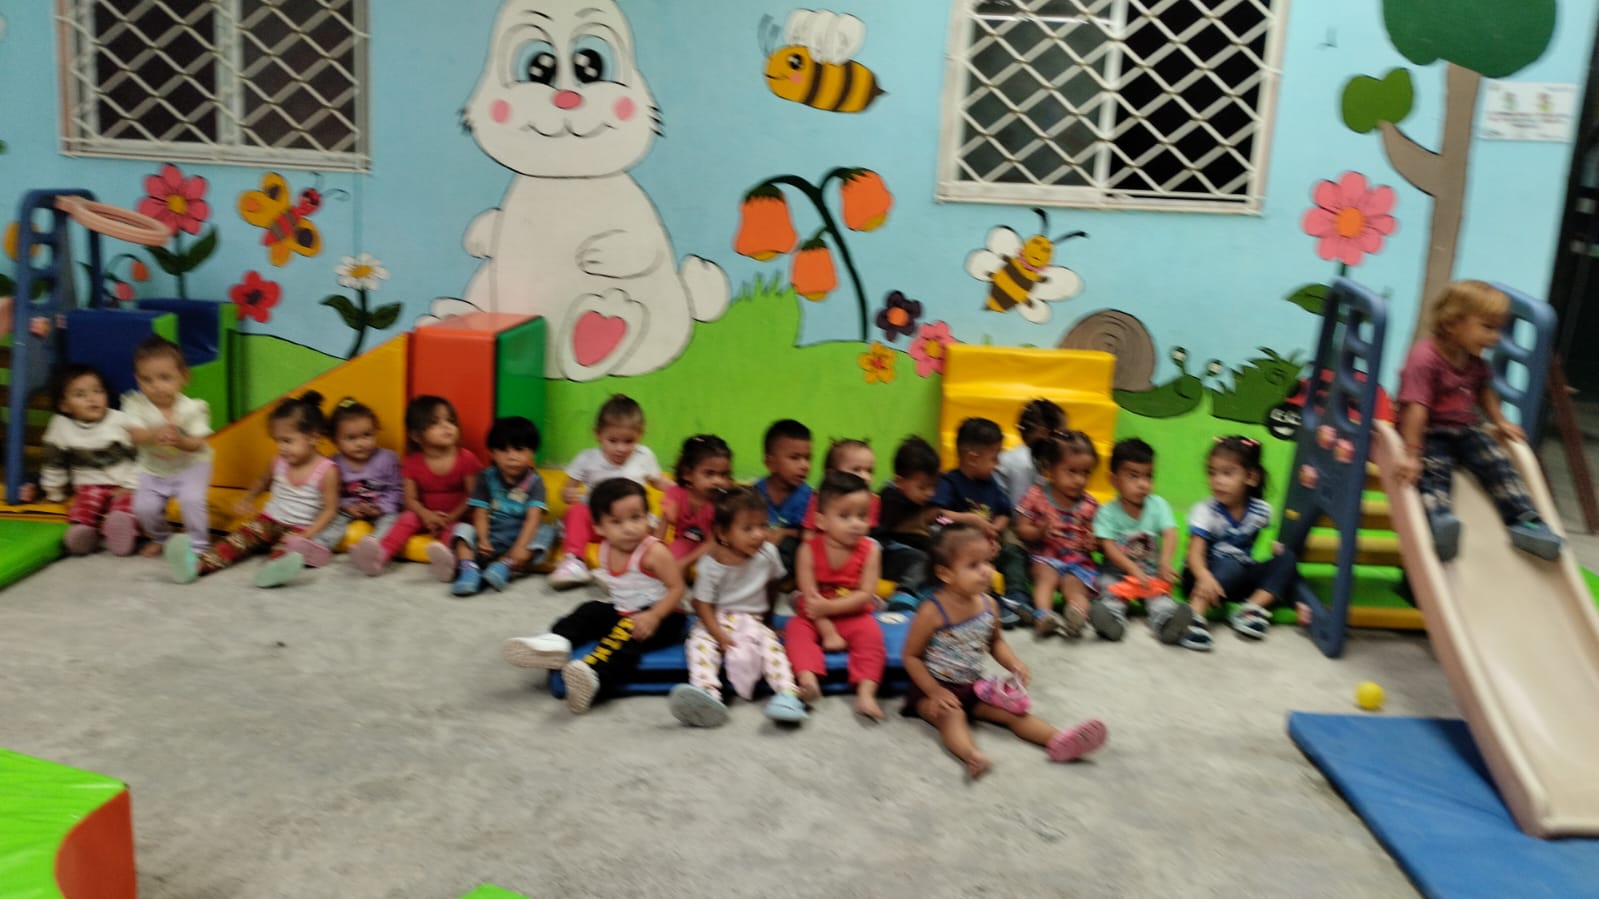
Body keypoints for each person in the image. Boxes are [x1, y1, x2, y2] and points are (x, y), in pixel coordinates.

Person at [902, 524, 1108, 780]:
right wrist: (934, 691)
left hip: (973, 686)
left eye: (987, 562)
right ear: (945, 574)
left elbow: (995, 642)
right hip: (931, 689)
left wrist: (1013, 663)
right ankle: (971, 755)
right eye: (973, 565)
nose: (986, 570)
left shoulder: (989, 604)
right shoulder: (932, 611)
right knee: (951, 716)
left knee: (1015, 714)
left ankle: (1060, 740)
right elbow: (911, 656)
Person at [1396, 279, 1563, 561]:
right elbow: (1416, 407)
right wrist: (1412, 453)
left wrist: (1500, 420)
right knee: (1435, 471)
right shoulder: (1424, 359)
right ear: (1452, 323)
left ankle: (1524, 520)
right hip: (1429, 431)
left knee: (1498, 462)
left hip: (1463, 429)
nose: (1496, 338)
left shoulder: (1474, 360)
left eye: (1498, 329)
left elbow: (1484, 390)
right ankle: (1439, 521)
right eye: (1488, 327)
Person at [501, 478, 687, 714]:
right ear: (599, 528)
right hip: (625, 611)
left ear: (647, 517)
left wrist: (655, 616)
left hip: (666, 617)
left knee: (623, 638)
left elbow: (677, 588)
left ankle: (594, 676)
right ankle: (557, 643)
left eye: (636, 517)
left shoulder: (654, 552)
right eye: (616, 522)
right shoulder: (605, 549)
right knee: (590, 610)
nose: (629, 528)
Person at [668, 486, 809, 727]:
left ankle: (787, 694)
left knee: (772, 649)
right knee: (699, 644)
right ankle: (706, 692)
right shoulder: (711, 564)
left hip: (752, 620)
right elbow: (702, 604)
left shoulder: (768, 554)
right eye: (748, 529)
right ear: (723, 533)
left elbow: (773, 584)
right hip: (716, 618)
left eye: (764, 526)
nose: (759, 534)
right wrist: (719, 635)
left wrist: (768, 621)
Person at [164, 392, 337, 588]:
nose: (281, 447)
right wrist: (248, 498)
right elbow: (263, 481)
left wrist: (305, 535)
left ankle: (274, 571)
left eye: (287, 441)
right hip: (269, 519)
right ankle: (196, 566)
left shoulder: (327, 470)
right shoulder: (279, 461)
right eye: (278, 441)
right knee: (236, 540)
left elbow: (329, 510)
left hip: (300, 528)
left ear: (313, 437)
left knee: (288, 549)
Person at [785, 471, 887, 719]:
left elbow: (865, 594)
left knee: (872, 637)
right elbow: (810, 599)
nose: (856, 523)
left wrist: (830, 609)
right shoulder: (807, 550)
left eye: (862, 515)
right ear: (821, 521)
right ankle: (808, 681)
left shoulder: (871, 550)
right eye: (844, 516)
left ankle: (866, 693)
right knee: (795, 631)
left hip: (853, 612)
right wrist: (828, 631)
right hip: (814, 616)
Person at [1181, 436, 1298, 647]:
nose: (1217, 480)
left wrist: (1277, 552)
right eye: (1212, 472)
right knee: (1229, 564)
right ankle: (1194, 616)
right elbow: (1194, 555)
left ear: (1251, 477)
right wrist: (1204, 577)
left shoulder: (1261, 511)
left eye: (1227, 473)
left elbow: (1249, 548)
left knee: (1287, 559)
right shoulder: (1205, 511)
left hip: (1236, 578)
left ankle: (1250, 609)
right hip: (1201, 576)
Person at [548, 394, 672, 588]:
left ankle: (622, 572)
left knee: (650, 529)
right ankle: (574, 562)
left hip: (630, 525)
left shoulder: (643, 456)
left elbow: (658, 481)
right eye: (612, 441)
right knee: (576, 512)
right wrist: (567, 494)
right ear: (598, 434)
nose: (620, 448)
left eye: (629, 441)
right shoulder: (587, 458)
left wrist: (681, 491)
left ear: (640, 435)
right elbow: (567, 490)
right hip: (600, 525)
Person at [349, 396, 478, 579]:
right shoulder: (412, 463)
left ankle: (446, 562)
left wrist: (450, 518)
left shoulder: (466, 459)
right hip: (425, 516)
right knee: (407, 517)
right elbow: (410, 500)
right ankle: (380, 556)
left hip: (456, 516)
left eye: (450, 421)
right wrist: (426, 515)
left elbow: (473, 496)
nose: (446, 426)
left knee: (457, 530)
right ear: (416, 436)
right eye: (435, 423)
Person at [1093, 438, 1198, 649]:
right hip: (1118, 572)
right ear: (1114, 480)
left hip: (1150, 573)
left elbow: (1170, 533)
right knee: (1110, 592)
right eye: (1133, 476)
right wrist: (1132, 569)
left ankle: (1167, 623)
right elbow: (1109, 547)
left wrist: (1165, 562)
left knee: (1160, 598)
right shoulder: (1107, 512)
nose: (1143, 484)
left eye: (1148, 476)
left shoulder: (1157, 505)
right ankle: (1112, 623)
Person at [1016, 430, 1112, 639]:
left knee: (1075, 587)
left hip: (1077, 562)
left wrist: (1092, 543)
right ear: (1050, 469)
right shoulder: (1036, 494)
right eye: (1071, 472)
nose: (1079, 480)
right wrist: (1039, 531)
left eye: (1086, 473)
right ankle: (1043, 616)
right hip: (1046, 557)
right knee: (1045, 578)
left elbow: (1097, 540)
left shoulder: (1090, 505)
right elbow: (1021, 529)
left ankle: (1076, 616)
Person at [124, 335, 212, 559]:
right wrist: (155, 433)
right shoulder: (136, 404)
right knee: (144, 508)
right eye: (147, 379)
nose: (156, 386)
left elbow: (197, 444)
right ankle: (161, 537)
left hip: (191, 465)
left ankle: (199, 545)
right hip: (153, 468)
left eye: (165, 378)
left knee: (191, 500)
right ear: (137, 379)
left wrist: (179, 440)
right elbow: (135, 436)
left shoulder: (193, 409)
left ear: (183, 377)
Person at [448, 416, 557, 596]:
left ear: (532, 453)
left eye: (519, 450)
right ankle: (469, 568)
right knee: (461, 530)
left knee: (547, 531)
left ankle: (505, 565)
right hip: (491, 533)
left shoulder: (535, 482)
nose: (511, 457)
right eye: (503, 450)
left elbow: (533, 519)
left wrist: (519, 548)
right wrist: (483, 539)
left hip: (521, 534)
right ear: (492, 453)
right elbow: (481, 513)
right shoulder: (485, 477)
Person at [38, 364, 139, 555]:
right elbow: (54, 463)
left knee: (128, 505)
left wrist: (131, 485)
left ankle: (122, 528)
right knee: (83, 507)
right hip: (88, 486)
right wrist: (54, 493)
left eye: (98, 391)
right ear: (64, 405)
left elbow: (141, 457)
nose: (92, 398)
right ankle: (83, 533)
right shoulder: (60, 426)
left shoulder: (120, 421)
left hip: (123, 483)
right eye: (80, 394)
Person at [801, 439, 881, 648]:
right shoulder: (820, 499)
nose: (865, 476)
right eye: (857, 469)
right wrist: (816, 553)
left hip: (852, 560)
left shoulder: (870, 499)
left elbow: (863, 536)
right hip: (822, 558)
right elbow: (808, 535)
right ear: (832, 474)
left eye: (869, 470)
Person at [314, 398, 402, 556]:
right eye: (351, 438)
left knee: (392, 521)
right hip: (349, 509)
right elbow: (330, 495)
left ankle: (372, 547)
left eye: (367, 435)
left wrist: (381, 507)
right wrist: (346, 506)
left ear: (375, 431)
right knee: (334, 520)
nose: (360, 443)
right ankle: (319, 546)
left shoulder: (388, 458)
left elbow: (396, 489)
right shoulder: (333, 464)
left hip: (381, 509)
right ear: (336, 440)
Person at [872, 435, 940, 605]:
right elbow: (881, 536)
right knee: (922, 559)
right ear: (899, 482)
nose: (930, 493)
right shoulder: (891, 500)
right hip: (887, 555)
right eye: (922, 487)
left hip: (909, 551)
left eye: (933, 486)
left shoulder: (917, 500)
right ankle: (904, 593)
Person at [656, 434, 733, 575]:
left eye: (723, 475)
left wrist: (685, 563)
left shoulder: (720, 503)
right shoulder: (676, 495)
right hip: (684, 542)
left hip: (714, 547)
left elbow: (712, 542)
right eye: (709, 474)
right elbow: (660, 531)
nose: (718, 481)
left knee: (714, 566)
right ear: (687, 474)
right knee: (666, 561)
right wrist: (654, 552)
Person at [756, 418, 813, 575]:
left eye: (808, 458)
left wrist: (784, 533)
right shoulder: (755, 494)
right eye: (795, 458)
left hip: (786, 556)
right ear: (770, 463)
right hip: (758, 548)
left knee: (791, 545)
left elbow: (809, 534)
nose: (804, 466)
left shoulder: (809, 498)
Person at [997, 399, 1067, 507]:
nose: (1065, 441)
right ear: (1044, 432)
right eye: (1062, 434)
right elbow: (1019, 509)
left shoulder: (1032, 459)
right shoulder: (1024, 463)